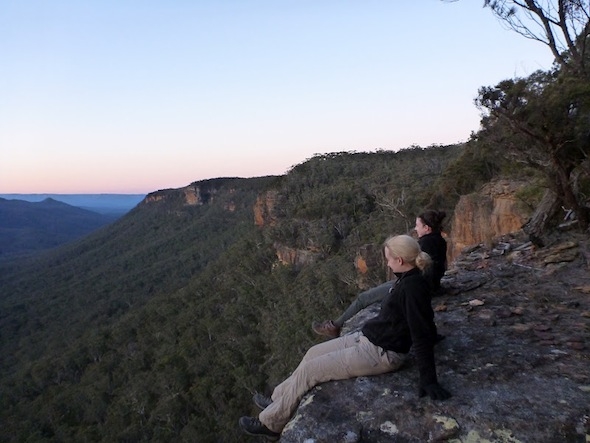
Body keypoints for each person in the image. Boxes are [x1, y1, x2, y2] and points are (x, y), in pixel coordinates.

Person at [239, 235, 451, 440]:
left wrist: (429, 379)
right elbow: (426, 317)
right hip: (368, 339)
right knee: (312, 353)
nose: (387, 264)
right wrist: (434, 334)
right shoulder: (406, 278)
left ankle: (271, 424)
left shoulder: (412, 288)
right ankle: (277, 400)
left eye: (388, 259)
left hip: (381, 353)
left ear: (400, 260)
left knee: (311, 371)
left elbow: (420, 330)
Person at [312, 209, 448, 338]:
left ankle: (334, 326)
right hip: (427, 285)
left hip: (414, 287)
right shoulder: (439, 240)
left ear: (427, 228)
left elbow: (420, 272)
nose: (415, 228)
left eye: (418, 225)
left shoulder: (424, 244)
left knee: (364, 298)